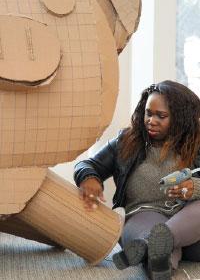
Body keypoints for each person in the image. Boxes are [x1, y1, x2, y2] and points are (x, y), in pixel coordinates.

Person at [74, 80, 200, 280]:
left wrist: (195, 187)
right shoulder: (127, 141)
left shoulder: (196, 144)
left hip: (188, 218)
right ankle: (159, 250)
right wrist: (89, 178)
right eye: (149, 113)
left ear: (181, 118)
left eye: (161, 116)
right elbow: (87, 165)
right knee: (160, 251)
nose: (151, 120)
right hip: (143, 214)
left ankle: (149, 244)